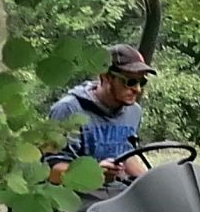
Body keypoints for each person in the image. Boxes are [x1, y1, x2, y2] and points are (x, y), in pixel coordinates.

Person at [45, 43, 155, 187]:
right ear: (106, 77)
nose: (138, 89)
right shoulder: (68, 110)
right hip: (81, 195)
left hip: (119, 193)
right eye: (130, 82)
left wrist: (152, 183)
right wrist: (95, 173)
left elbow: (126, 155)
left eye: (142, 82)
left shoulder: (134, 111)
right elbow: (52, 172)